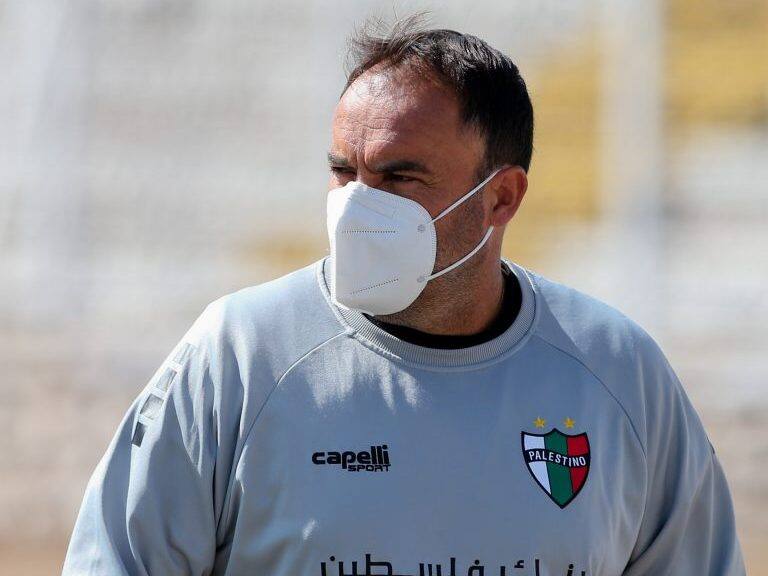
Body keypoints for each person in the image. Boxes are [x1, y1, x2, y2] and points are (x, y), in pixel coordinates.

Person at [62, 14, 745, 576]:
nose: (357, 208)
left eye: (399, 177)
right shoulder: (239, 356)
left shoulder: (619, 373)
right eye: (343, 172)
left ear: (501, 198)